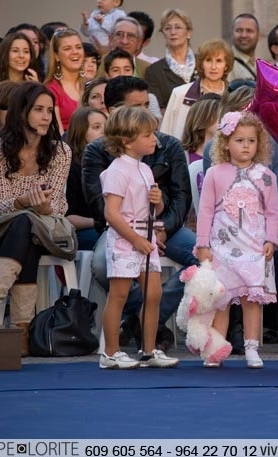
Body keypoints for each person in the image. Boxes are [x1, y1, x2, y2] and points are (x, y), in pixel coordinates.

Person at [82, 76, 194, 352]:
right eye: (138, 108)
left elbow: (179, 197)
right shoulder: (106, 160)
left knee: (162, 288)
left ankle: (143, 336)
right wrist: (137, 238)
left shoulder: (156, 156)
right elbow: (106, 210)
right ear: (116, 113)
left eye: (147, 105)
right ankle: (113, 350)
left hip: (157, 231)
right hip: (124, 234)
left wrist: (161, 216)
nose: (147, 115)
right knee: (111, 282)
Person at [0, 82, 71, 357]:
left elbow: (60, 206)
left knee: (28, 224)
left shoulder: (60, 151)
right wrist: (23, 203)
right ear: (21, 112)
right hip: (4, 230)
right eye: (38, 110)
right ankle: (22, 331)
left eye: (49, 111)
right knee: (22, 223)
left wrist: (43, 208)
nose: (46, 117)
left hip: (47, 229)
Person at [195, 111, 278, 369]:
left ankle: (251, 347)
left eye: (251, 141)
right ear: (225, 143)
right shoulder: (215, 174)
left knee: (252, 300)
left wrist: (271, 239)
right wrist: (203, 244)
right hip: (222, 248)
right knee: (221, 300)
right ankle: (216, 348)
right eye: (239, 140)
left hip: (254, 248)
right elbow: (205, 210)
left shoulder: (266, 176)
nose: (246, 146)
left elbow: (273, 212)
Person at [98, 105, 178, 370]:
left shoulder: (145, 169)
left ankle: (148, 349)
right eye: (147, 135)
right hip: (127, 239)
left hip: (146, 238)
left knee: (153, 294)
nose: (154, 139)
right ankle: (110, 353)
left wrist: (158, 201)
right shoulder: (118, 170)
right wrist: (135, 240)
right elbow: (111, 213)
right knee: (119, 295)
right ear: (126, 140)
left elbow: (154, 209)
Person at [160, 39, 232, 140]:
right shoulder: (179, 94)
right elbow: (165, 135)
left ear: (226, 65)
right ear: (201, 64)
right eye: (208, 60)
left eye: (219, 61)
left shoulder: (234, 96)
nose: (213, 67)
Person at [65, 107, 107, 250]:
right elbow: (68, 217)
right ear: (80, 132)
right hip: (83, 231)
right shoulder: (71, 166)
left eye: (107, 126)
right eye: (96, 127)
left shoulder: (115, 162)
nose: (104, 131)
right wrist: (101, 222)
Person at [144, 9, 196, 112]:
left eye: (178, 27)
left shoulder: (204, 63)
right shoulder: (154, 71)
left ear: (189, 33)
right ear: (163, 34)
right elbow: (158, 109)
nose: (173, 32)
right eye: (167, 28)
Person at [44, 28, 85, 132]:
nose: (75, 52)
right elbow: (58, 134)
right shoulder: (51, 90)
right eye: (67, 49)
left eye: (78, 47)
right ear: (56, 56)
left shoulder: (91, 85)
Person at [226, 13, 259, 84]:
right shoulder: (226, 64)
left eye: (249, 31)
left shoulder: (259, 66)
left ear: (258, 34)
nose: (244, 35)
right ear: (232, 33)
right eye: (239, 30)